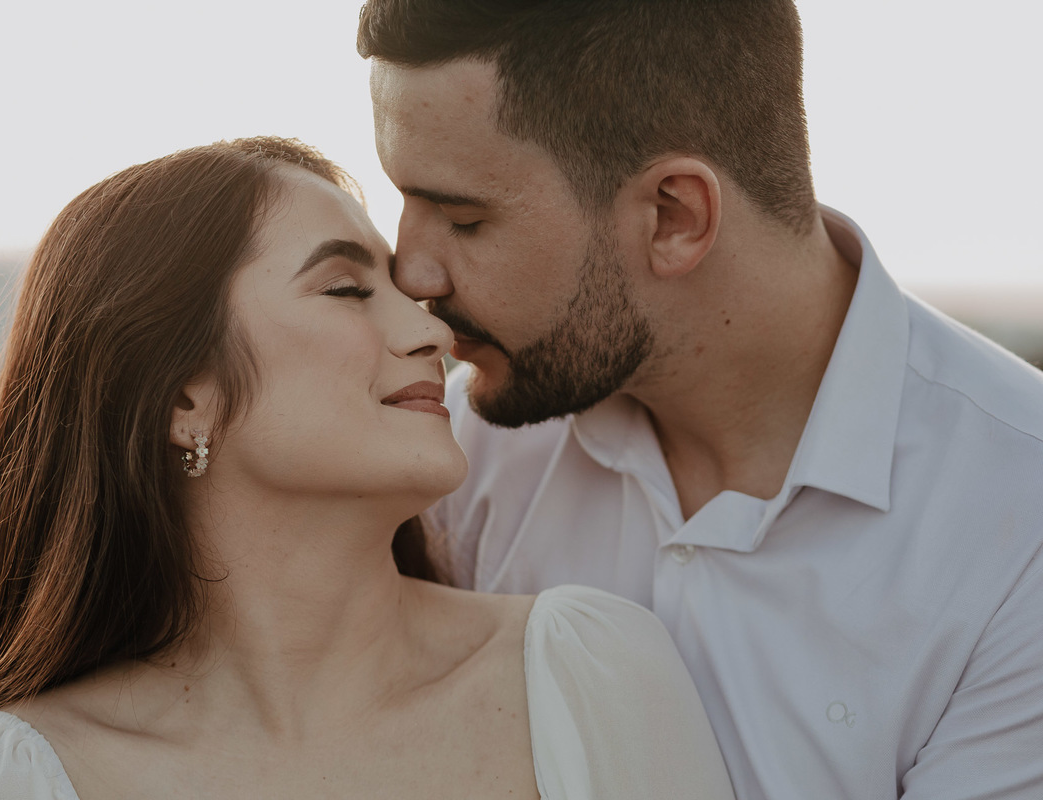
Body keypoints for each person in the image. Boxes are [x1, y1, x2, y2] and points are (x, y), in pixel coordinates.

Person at [0, 137, 734, 800]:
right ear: (186, 397)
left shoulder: (585, 673)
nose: (433, 335)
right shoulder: (16, 775)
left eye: (407, 296)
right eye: (346, 290)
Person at [358, 2, 1043, 799]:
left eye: (465, 219)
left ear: (675, 216)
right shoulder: (462, 456)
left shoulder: (1020, 529)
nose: (411, 273)